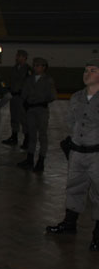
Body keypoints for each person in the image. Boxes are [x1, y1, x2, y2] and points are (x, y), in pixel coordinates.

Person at [46, 59, 99, 250]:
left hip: (96, 153)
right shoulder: (77, 96)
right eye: (85, 70)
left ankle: (97, 233)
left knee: (97, 192)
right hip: (77, 151)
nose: (87, 74)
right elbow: (70, 121)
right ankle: (69, 224)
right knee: (73, 187)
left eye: (93, 71)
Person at [17, 57, 57, 172]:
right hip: (30, 110)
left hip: (41, 110)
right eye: (34, 65)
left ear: (44, 67)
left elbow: (53, 96)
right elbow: (24, 93)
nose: (35, 68)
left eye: (38, 65)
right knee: (32, 135)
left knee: (42, 136)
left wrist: (41, 100)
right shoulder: (30, 79)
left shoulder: (48, 80)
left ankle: (41, 161)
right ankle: (30, 159)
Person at [2, 49, 32, 146]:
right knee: (14, 117)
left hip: (22, 97)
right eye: (17, 56)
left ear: (24, 58)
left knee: (23, 118)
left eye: (19, 56)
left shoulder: (28, 69)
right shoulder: (14, 68)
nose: (17, 58)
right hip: (14, 96)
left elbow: (29, 84)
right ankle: (14, 137)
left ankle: (26, 139)